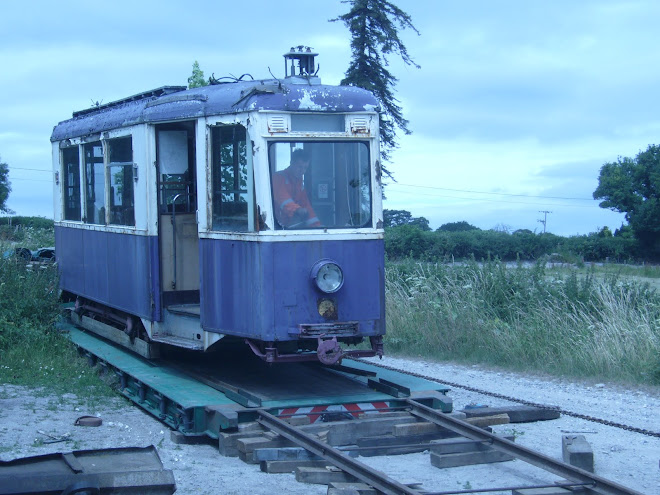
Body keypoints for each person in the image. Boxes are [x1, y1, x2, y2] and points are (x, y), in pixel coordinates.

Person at [272, 149, 321, 228]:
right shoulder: (278, 178)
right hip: (276, 226)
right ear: (291, 163)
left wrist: (317, 226)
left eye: (305, 168)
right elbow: (283, 199)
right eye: (300, 167)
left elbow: (306, 205)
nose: (302, 171)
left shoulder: (299, 183)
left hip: (290, 227)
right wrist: (297, 210)